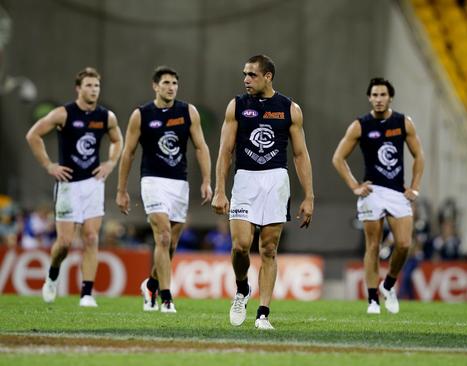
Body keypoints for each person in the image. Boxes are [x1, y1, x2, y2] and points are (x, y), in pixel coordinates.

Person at [211, 55, 314, 330]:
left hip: (276, 181)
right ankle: (242, 289)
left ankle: (263, 314)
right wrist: (220, 190)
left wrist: (309, 196)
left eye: (252, 75)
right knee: (240, 246)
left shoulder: (289, 109)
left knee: (268, 249)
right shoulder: (236, 106)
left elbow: (301, 155)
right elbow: (225, 152)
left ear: (268, 76)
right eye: (244, 74)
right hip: (245, 179)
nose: (246, 79)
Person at [116, 66, 212, 313]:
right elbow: (128, 152)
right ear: (155, 86)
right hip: (153, 181)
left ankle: (151, 284)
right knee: (164, 236)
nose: (171, 87)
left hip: (179, 183)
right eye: (166, 82)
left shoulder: (188, 112)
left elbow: (201, 147)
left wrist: (206, 181)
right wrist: (121, 190)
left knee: (170, 246)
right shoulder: (142, 115)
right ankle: (166, 298)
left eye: (174, 83)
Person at [25, 67, 123, 307]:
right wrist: (49, 165)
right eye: (89, 85)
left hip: (93, 183)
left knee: (91, 237)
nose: (93, 90)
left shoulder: (105, 116)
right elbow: (33, 135)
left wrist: (110, 163)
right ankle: (52, 275)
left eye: (96, 86)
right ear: (78, 89)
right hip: (68, 185)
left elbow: (117, 140)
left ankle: (87, 294)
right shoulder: (64, 113)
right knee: (65, 243)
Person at [332, 77, 424, 315]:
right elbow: (338, 158)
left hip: (397, 192)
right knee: (373, 245)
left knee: (404, 244)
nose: (378, 99)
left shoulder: (403, 122)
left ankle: (389, 285)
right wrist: (354, 185)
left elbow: (419, 156)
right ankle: (373, 299)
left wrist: (414, 187)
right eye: (374, 95)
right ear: (369, 98)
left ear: (390, 97)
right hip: (372, 192)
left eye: (383, 95)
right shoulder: (360, 125)